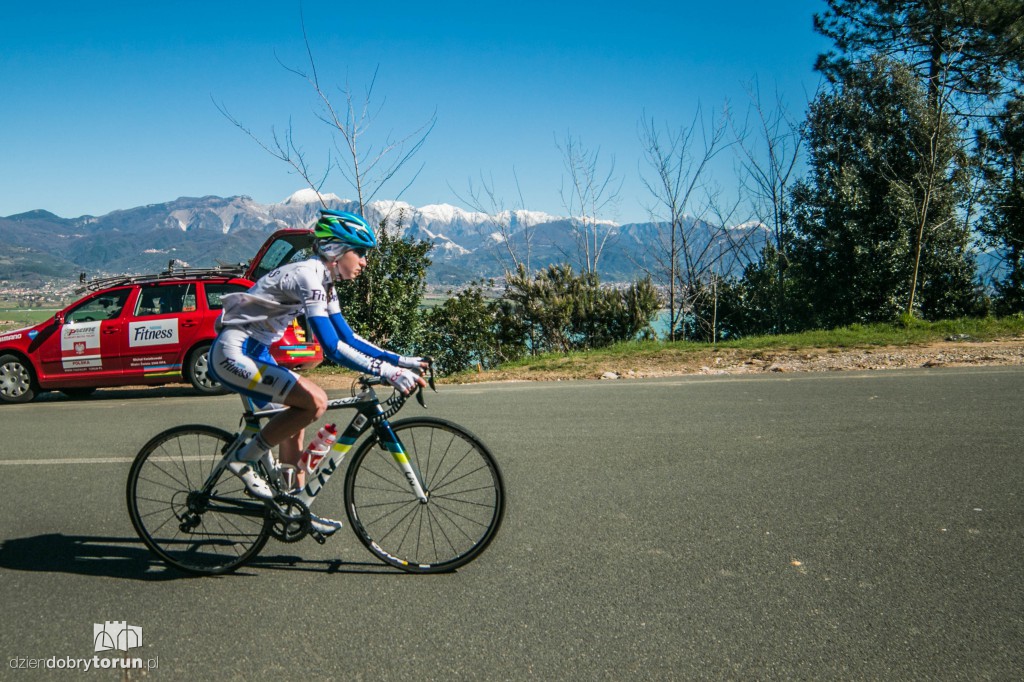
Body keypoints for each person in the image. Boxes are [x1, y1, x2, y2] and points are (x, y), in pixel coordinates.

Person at [209, 209, 427, 536]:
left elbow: (348, 337)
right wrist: (388, 373)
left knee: (293, 427)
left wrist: (401, 361)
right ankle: (243, 460)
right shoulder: (309, 277)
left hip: (255, 352)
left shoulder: (325, 282)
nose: (365, 261)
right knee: (315, 401)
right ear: (336, 250)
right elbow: (332, 348)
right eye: (360, 252)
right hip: (233, 354)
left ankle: (294, 508)